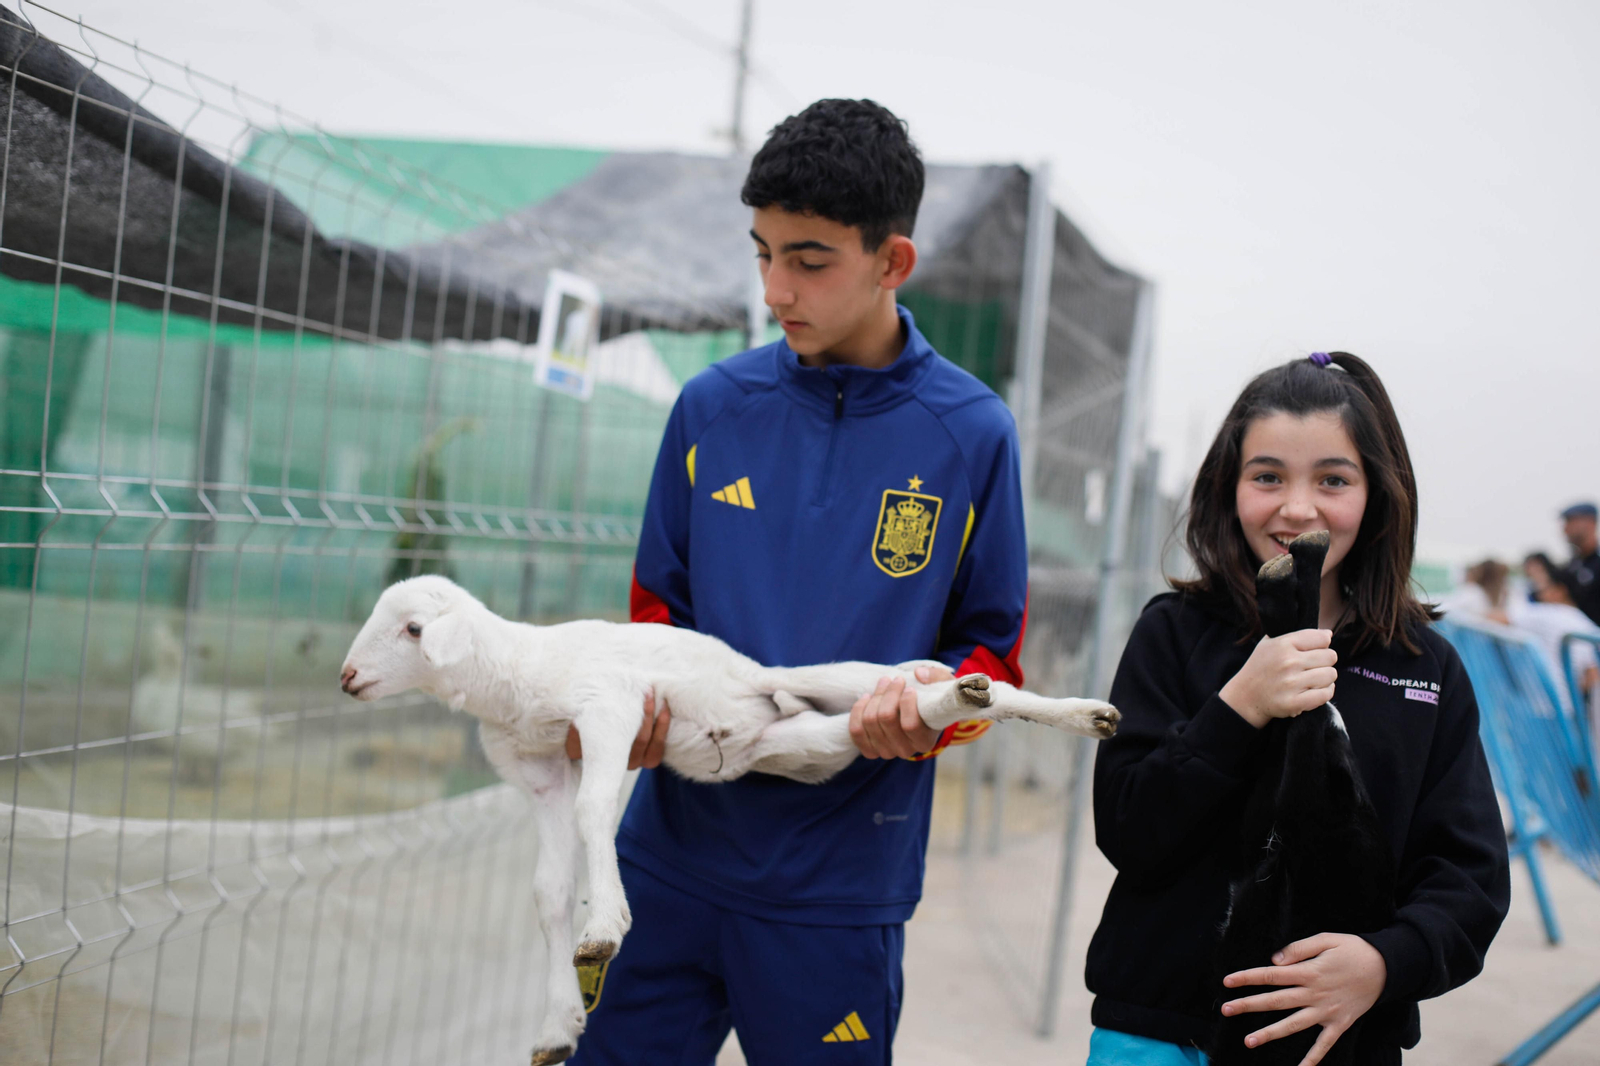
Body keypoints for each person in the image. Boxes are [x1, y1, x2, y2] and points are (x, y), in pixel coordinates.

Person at [565, 99, 1028, 1064]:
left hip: (837, 888)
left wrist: (930, 709)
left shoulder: (971, 434)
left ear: (892, 262)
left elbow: (991, 654)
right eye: (763, 253)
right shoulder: (710, 410)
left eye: (809, 259)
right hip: (669, 865)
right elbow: (657, 614)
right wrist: (638, 705)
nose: (778, 287)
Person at [1085, 352, 1510, 1066]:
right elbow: (1129, 829)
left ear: (1377, 493)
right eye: (1269, 476)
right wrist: (1239, 706)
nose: (1298, 507)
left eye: (1333, 480)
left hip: (1338, 1043)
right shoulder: (1172, 633)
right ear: (1230, 486)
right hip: (1158, 1031)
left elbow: (1468, 877)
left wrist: (1385, 963)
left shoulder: (1425, 667)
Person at [1560, 501, 1600, 625]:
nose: (1565, 528)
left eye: (1570, 521)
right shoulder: (1573, 565)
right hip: (1579, 639)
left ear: (1590, 523)